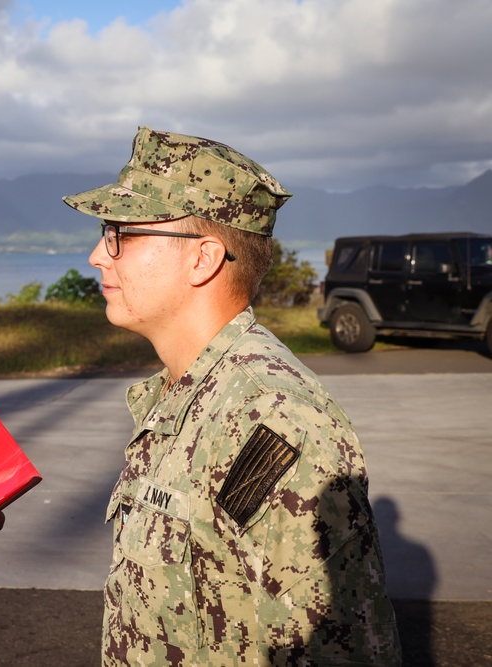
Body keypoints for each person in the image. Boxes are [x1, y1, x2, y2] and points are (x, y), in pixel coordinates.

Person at [63, 127, 401, 665]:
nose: (97, 256)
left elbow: (339, 648)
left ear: (203, 258)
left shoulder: (273, 421)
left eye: (119, 233)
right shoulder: (187, 395)